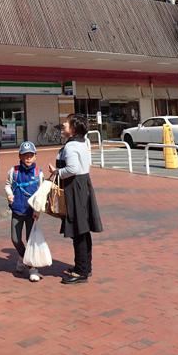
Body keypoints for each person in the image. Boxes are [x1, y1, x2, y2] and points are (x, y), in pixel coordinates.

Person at [48, 113, 103, 284]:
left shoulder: (71, 147)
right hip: (83, 185)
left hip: (74, 187)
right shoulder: (82, 143)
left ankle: (81, 272)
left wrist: (57, 172)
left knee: (78, 230)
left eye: (66, 123)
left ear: (73, 128)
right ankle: (85, 266)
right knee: (83, 229)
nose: (63, 125)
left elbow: (72, 168)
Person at [5, 141, 44, 282]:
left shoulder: (38, 173)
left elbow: (41, 194)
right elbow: (8, 185)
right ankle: (22, 256)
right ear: (19, 156)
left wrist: (38, 210)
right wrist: (9, 194)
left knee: (30, 241)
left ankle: (33, 269)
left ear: (35, 156)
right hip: (17, 210)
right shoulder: (13, 171)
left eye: (31, 155)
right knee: (15, 239)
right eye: (25, 155)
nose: (28, 158)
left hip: (31, 212)